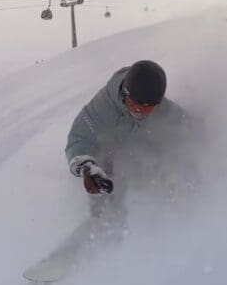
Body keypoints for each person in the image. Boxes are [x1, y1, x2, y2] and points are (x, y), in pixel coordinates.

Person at [65, 60, 188, 233]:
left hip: (138, 151)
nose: (138, 112)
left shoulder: (161, 108)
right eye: (133, 105)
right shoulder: (104, 106)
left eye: (146, 109)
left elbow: (186, 126)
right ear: (124, 95)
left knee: (171, 158)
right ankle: (102, 224)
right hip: (107, 154)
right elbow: (79, 137)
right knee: (104, 168)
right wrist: (86, 168)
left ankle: (166, 218)